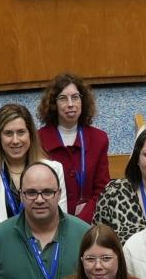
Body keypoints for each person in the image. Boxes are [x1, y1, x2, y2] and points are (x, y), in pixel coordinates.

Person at [0, 161, 91, 279]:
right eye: (31, 193)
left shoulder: (85, 235)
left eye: (47, 192)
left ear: (59, 194)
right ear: (21, 196)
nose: (39, 200)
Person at [0, 103, 65, 241]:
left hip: (44, 252)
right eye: (8, 133)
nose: (15, 140)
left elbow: (60, 221)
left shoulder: (54, 169)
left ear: (30, 135)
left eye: (21, 132)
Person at [37, 72, 111, 223]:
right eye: (63, 98)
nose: (70, 104)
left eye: (75, 97)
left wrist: (83, 217)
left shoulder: (98, 139)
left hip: (89, 222)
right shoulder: (39, 140)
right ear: (53, 104)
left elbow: (102, 188)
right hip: (50, 221)